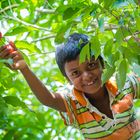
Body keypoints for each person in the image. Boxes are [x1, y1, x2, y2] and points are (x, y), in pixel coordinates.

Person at [0, 33, 140, 140]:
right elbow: (49, 99)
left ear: (102, 64)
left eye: (91, 65)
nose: (86, 76)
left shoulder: (124, 84)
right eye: (76, 73)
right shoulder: (73, 104)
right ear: (68, 79)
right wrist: (24, 68)